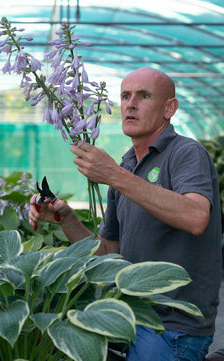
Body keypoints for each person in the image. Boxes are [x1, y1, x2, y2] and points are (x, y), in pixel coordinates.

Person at [29, 67, 222, 361]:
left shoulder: (185, 153)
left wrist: (115, 176)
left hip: (172, 327)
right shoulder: (127, 166)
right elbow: (108, 253)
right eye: (125, 96)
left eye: (144, 96)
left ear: (169, 108)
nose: (130, 104)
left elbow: (196, 217)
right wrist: (66, 218)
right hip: (128, 318)